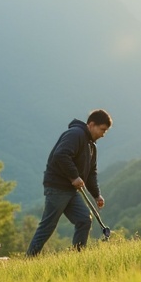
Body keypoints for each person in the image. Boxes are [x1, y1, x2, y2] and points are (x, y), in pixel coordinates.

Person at [26, 109, 112, 255]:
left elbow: (91, 173)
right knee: (48, 225)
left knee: (84, 220)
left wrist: (97, 195)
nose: (103, 134)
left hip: (71, 191)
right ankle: (29, 258)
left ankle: (78, 256)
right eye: (102, 129)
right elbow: (61, 155)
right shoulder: (75, 135)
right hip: (57, 187)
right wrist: (74, 177)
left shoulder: (91, 146)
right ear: (91, 124)